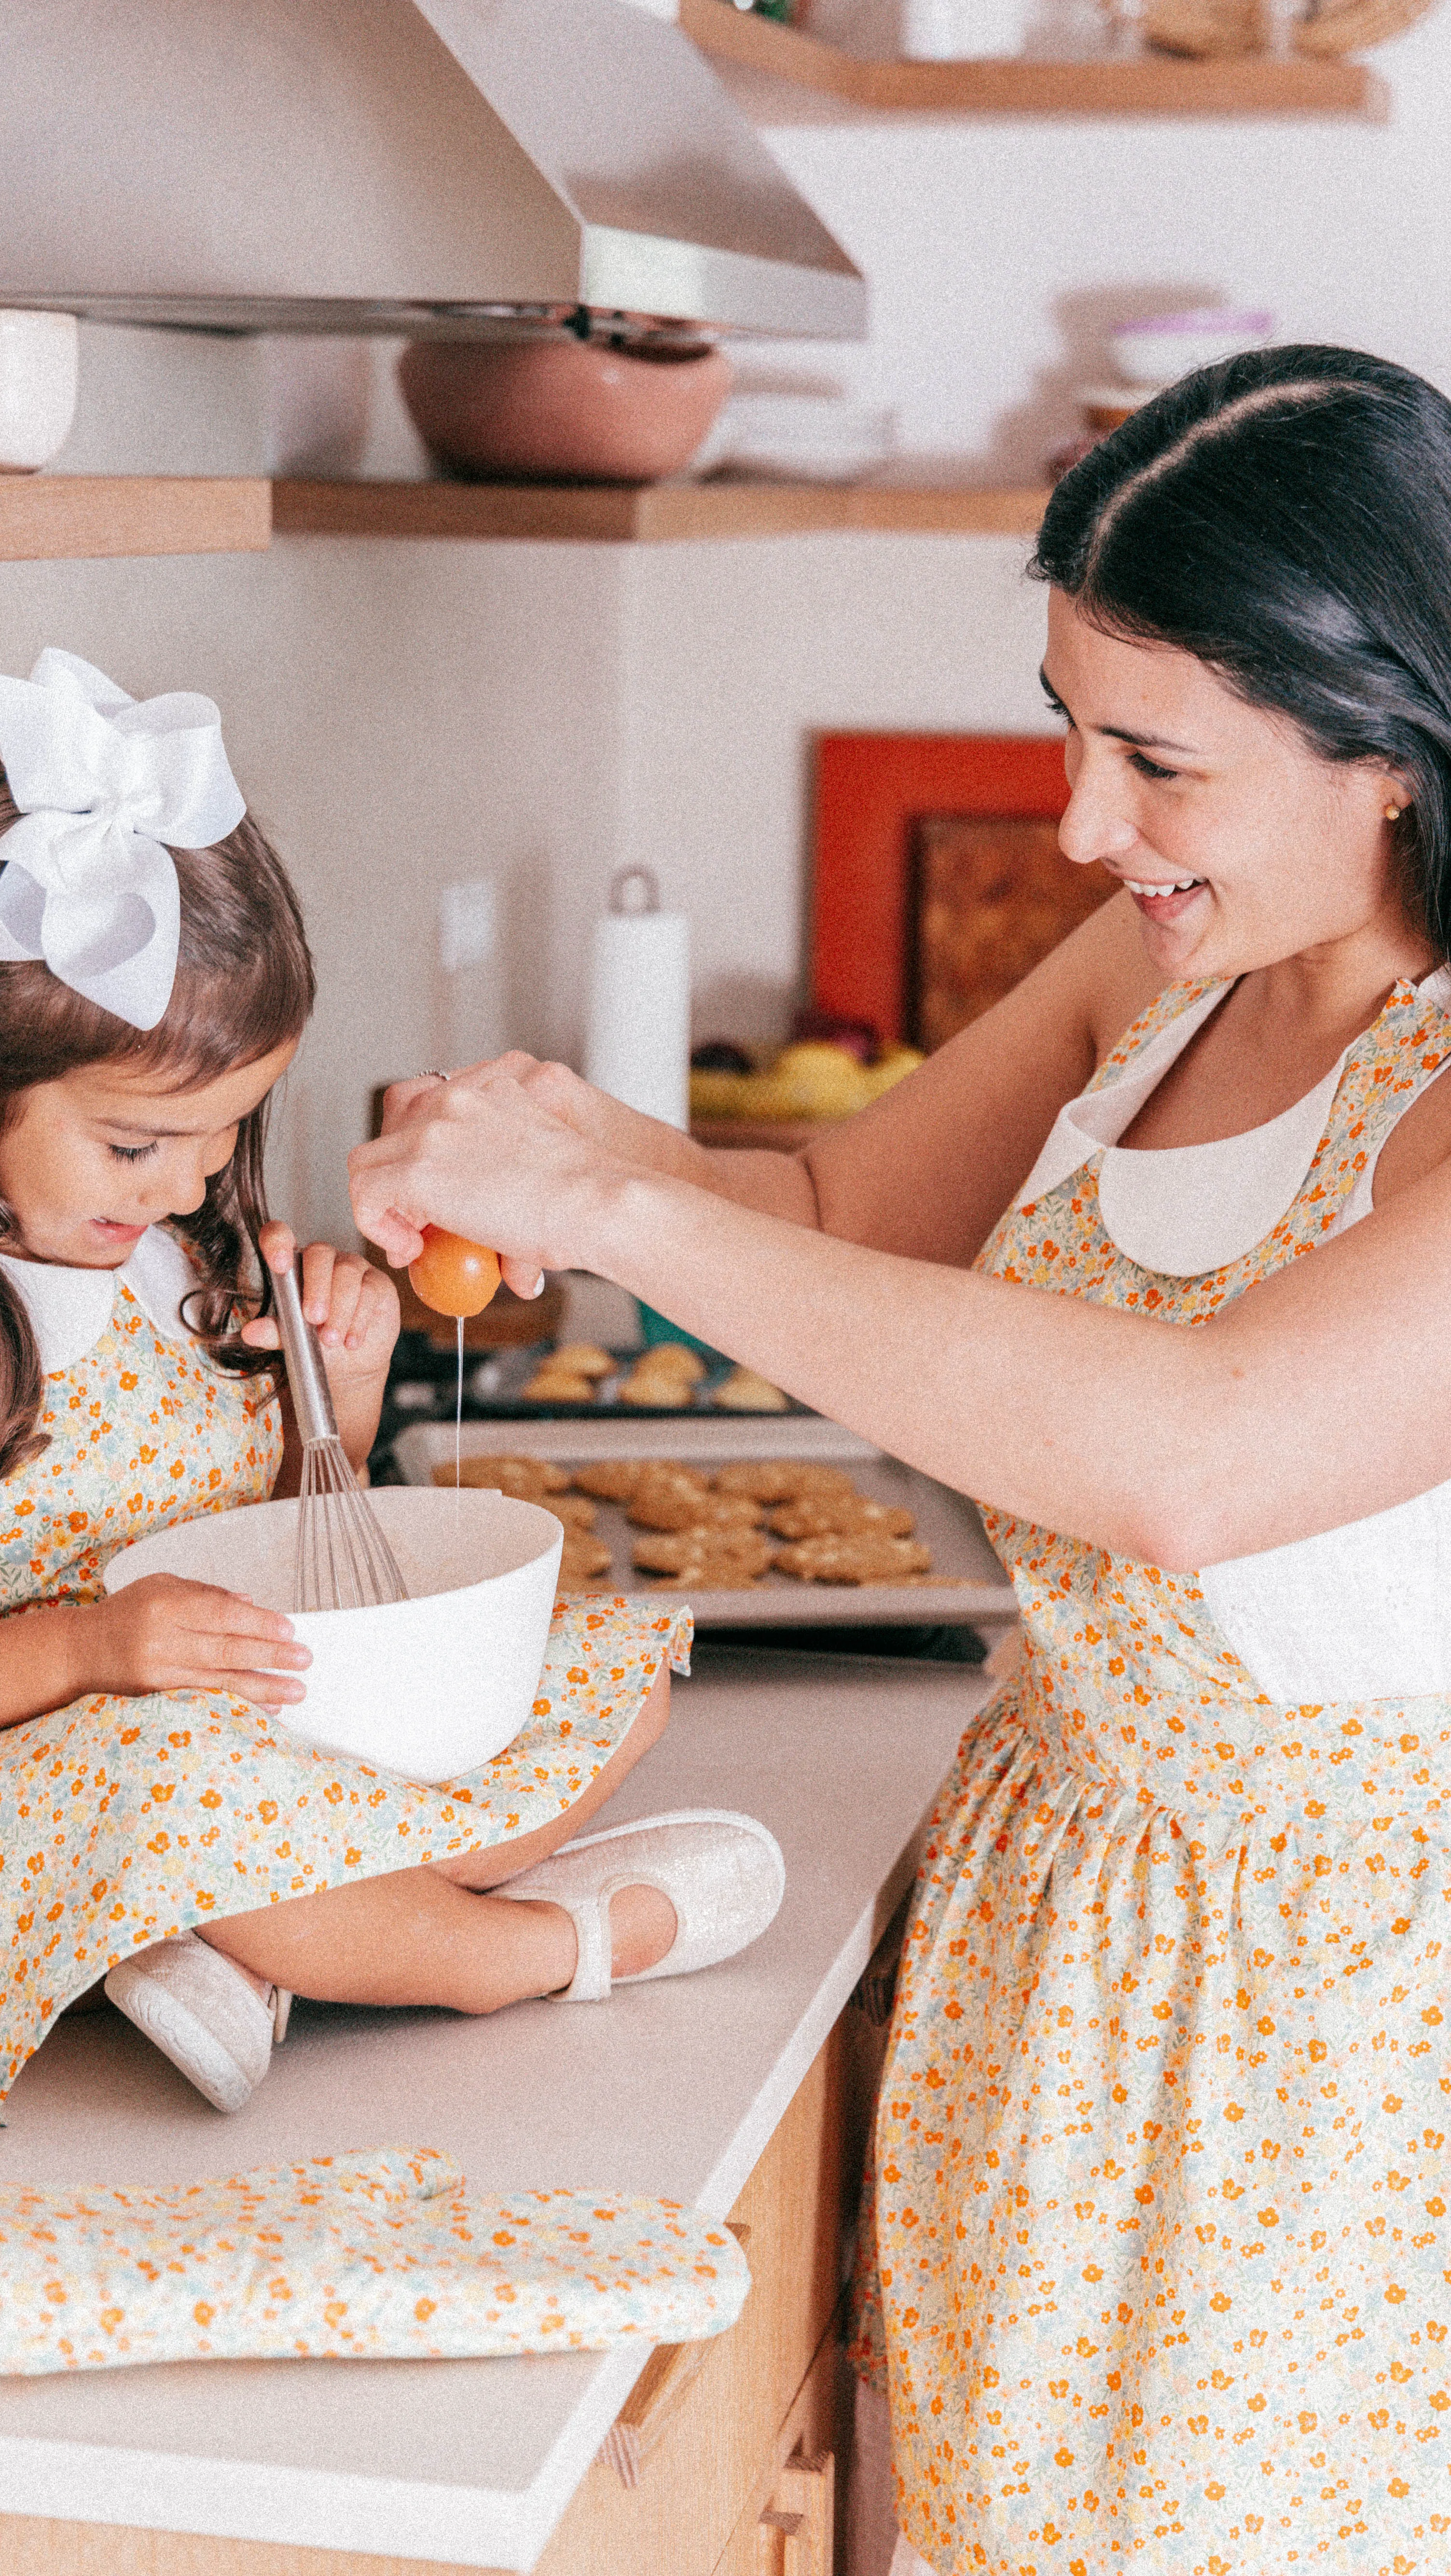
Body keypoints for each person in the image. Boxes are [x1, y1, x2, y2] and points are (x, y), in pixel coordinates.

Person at [348, 346, 1451, 2569]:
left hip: (1314, 2043)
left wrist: (615, 1214)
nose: (1075, 821)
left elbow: (1193, 1455)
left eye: (1154, 760)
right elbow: (853, 1223)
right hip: (1053, 1920)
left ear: (1396, 757)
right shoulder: (1173, 956)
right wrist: (568, 1145)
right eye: (1068, 725)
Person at [0, 648, 784, 2121]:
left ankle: (248, 1941)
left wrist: (341, 1399)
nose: (191, 1183)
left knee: (604, 1669)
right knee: (174, 1784)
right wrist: (92, 1651)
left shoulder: (176, 1255)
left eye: (224, 1132)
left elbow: (283, 1525)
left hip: (223, 1738)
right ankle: (520, 1948)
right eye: (135, 1144)